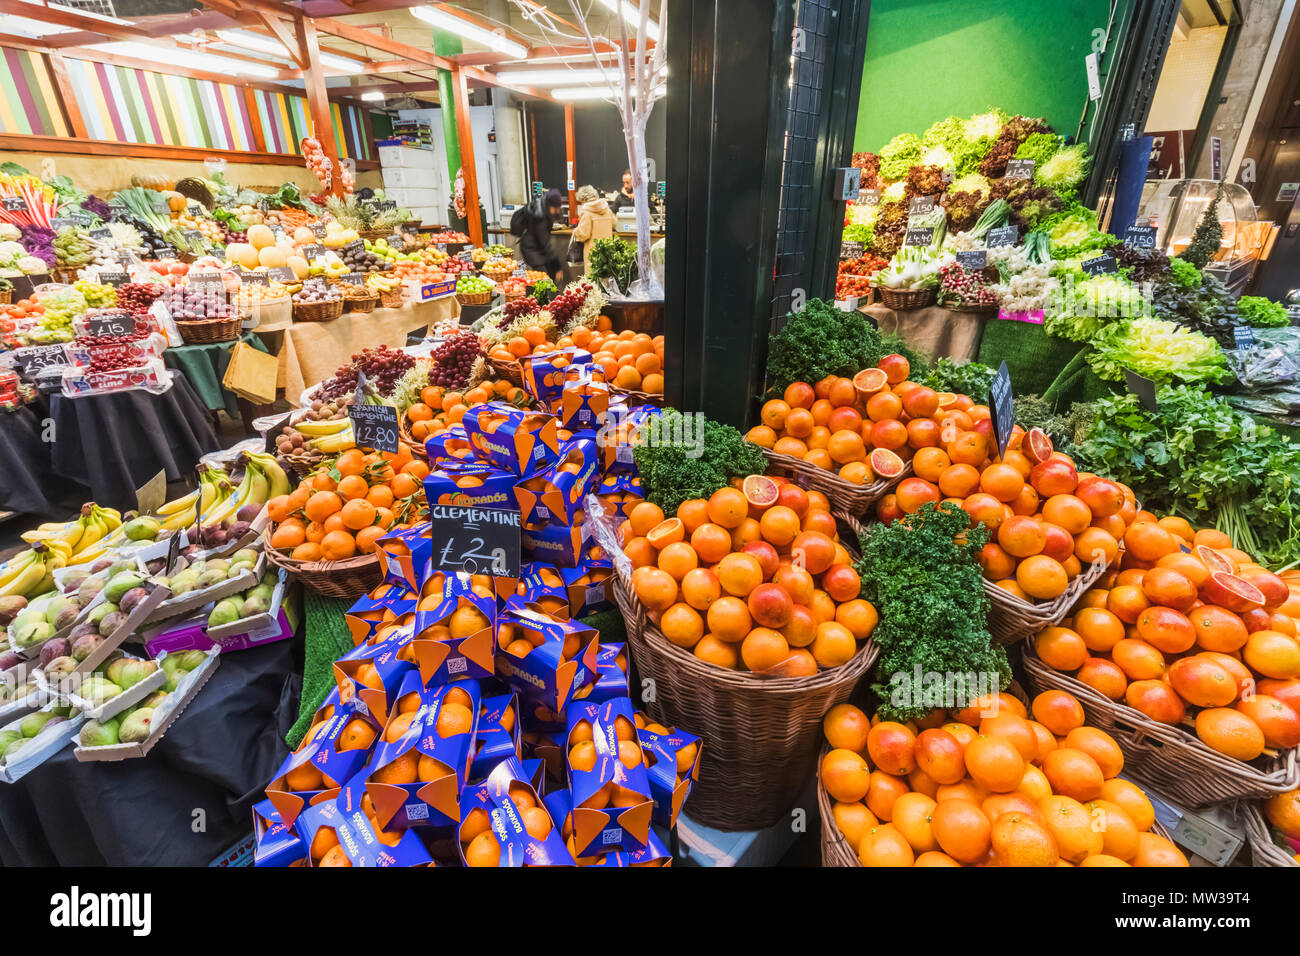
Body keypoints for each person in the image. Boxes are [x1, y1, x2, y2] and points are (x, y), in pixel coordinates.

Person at [514, 187, 565, 282]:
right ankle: (543, 296)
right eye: (556, 208)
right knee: (543, 278)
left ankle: (550, 294)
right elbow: (545, 244)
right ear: (551, 205)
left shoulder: (544, 206)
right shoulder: (540, 217)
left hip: (537, 247)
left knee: (549, 275)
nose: (557, 210)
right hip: (531, 249)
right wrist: (557, 267)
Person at [570, 184, 617, 274]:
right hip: (607, 251)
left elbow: (584, 235)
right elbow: (614, 223)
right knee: (606, 281)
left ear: (584, 199)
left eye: (581, 202)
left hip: (593, 253)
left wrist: (576, 231)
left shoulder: (586, 212)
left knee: (593, 282)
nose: (581, 204)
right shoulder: (606, 209)